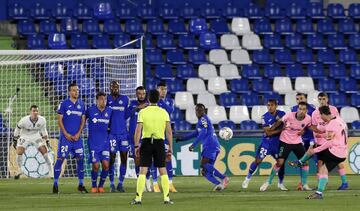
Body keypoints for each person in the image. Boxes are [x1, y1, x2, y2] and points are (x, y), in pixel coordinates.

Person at [289, 106, 348, 199]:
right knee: (323, 169)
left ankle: (300, 162)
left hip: (335, 151)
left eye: (320, 116)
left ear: (323, 114)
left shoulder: (330, 125)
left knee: (312, 150)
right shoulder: (340, 120)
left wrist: (316, 150)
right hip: (343, 152)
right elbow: (338, 133)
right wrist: (323, 134)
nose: (321, 118)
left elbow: (329, 143)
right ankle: (319, 193)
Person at [259, 102, 318, 192]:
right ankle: (268, 182)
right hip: (285, 141)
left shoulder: (308, 119)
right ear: (297, 109)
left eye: (303, 109)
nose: (301, 111)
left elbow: (308, 127)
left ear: (306, 111)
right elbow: (279, 121)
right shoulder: (289, 115)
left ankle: (304, 184)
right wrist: (271, 130)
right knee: (280, 162)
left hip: (297, 142)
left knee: (305, 162)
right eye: (300, 109)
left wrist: (306, 132)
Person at [131, 90, 173, 205]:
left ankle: (138, 199)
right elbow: (169, 132)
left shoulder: (143, 112)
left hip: (146, 142)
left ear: (148, 99)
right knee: (162, 170)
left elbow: (138, 131)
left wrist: (135, 146)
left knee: (143, 170)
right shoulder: (164, 112)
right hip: (159, 142)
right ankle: (166, 198)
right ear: (159, 99)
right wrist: (170, 147)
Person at [176, 104, 229, 191]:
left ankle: (224, 178)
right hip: (214, 145)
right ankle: (219, 184)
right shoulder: (201, 121)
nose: (199, 112)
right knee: (204, 171)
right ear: (195, 111)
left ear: (204, 111)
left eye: (201, 110)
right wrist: (182, 139)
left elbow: (203, 132)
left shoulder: (203, 119)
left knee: (203, 165)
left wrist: (193, 145)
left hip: (210, 145)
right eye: (198, 110)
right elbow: (195, 133)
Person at [242, 99, 287, 191]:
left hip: (277, 143)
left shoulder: (282, 114)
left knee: (280, 163)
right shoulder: (264, 117)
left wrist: (275, 130)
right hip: (266, 143)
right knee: (258, 161)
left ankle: (280, 183)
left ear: (276, 106)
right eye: (268, 105)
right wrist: (281, 129)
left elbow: (286, 124)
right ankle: (247, 178)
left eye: (272, 105)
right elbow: (268, 133)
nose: (270, 107)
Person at [53, 82, 87, 194]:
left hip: (77, 139)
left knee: (81, 160)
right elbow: (59, 120)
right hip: (65, 138)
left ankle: (81, 184)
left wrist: (78, 133)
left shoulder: (82, 104)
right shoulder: (63, 104)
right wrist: (66, 134)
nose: (76, 92)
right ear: (69, 92)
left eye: (77, 90)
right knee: (60, 159)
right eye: (73, 90)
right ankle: (55, 184)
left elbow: (83, 120)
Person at [311, 92, 348, 190]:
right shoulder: (315, 113)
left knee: (337, 161)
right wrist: (317, 137)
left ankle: (344, 182)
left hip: (332, 139)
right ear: (318, 100)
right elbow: (314, 127)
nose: (322, 101)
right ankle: (321, 184)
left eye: (323, 99)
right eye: (320, 99)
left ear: (327, 99)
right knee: (320, 163)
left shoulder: (334, 109)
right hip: (321, 140)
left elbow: (338, 123)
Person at [148, 82, 177, 193]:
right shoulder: (152, 102)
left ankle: (170, 183)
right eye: (161, 89)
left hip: (164, 134)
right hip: (154, 133)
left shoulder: (169, 101)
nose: (163, 91)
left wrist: (160, 101)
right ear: (157, 89)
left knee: (168, 158)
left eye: (165, 89)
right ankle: (155, 183)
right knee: (153, 159)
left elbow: (169, 110)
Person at [13, 105, 53, 179]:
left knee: (45, 152)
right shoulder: (24, 120)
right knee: (19, 153)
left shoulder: (42, 120)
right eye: (33, 111)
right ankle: (20, 170)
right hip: (25, 136)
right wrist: (15, 139)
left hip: (36, 136)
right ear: (30, 112)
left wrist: (47, 141)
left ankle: (51, 172)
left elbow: (44, 130)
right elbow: (17, 128)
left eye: (37, 111)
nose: (35, 112)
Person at [86, 92, 112, 193]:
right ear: (97, 100)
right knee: (96, 165)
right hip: (93, 143)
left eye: (105, 99)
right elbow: (83, 119)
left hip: (105, 143)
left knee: (106, 165)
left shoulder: (109, 111)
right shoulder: (90, 110)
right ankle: (93, 186)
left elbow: (112, 124)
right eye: (101, 99)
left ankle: (101, 186)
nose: (103, 101)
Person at [107, 81, 130, 192]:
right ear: (110, 88)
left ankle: (120, 183)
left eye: (117, 87)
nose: (115, 88)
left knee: (124, 158)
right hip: (112, 134)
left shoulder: (125, 99)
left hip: (123, 135)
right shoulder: (107, 99)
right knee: (111, 158)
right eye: (113, 87)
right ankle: (111, 183)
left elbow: (126, 115)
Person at [290, 93, 316, 190]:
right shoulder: (293, 109)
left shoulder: (312, 109)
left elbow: (314, 124)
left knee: (318, 162)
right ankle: (302, 183)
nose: (299, 100)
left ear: (306, 99)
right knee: (303, 161)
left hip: (311, 139)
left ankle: (321, 181)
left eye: (301, 98)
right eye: (297, 98)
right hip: (300, 140)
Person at [127, 86, 149, 188]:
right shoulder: (132, 104)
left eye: (143, 94)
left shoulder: (149, 105)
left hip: (145, 137)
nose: (141, 96)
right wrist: (137, 108)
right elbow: (125, 115)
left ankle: (148, 181)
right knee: (137, 159)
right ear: (136, 94)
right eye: (139, 94)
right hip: (133, 138)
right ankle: (140, 183)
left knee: (147, 160)